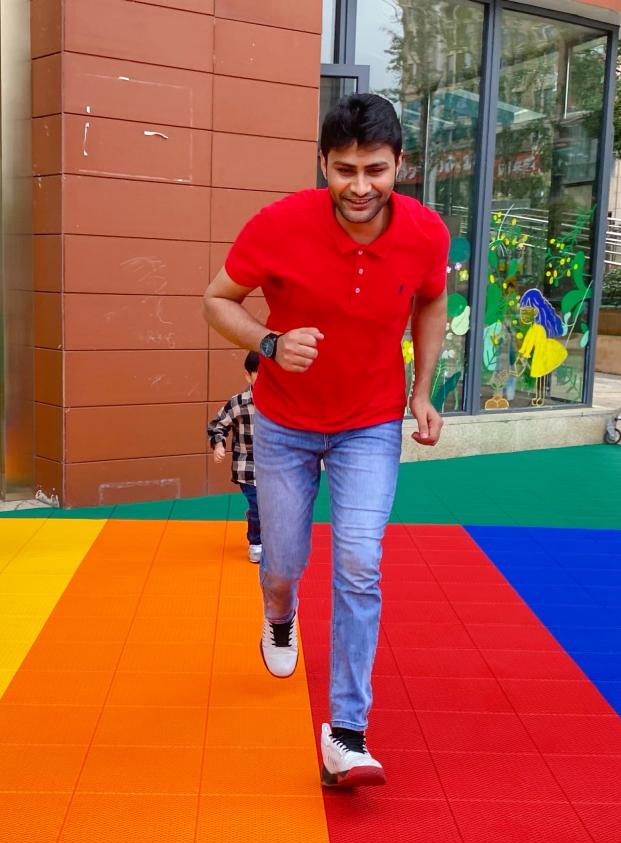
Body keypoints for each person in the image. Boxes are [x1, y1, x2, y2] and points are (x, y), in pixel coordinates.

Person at [201, 93, 449, 787]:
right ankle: (278, 614)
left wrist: (423, 389)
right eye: (344, 170)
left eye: (375, 169)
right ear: (322, 164)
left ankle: (347, 733)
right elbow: (215, 299)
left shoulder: (426, 232)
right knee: (282, 560)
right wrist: (270, 343)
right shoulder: (279, 224)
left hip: (369, 423)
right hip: (284, 424)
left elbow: (431, 299)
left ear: (399, 164)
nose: (360, 186)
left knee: (360, 563)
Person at [208, 351, 262, 563]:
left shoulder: (283, 402)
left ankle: (259, 524)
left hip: (276, 466)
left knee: (273, 508)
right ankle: (256, 542)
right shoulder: (239, 403)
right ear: (248, 376)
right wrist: (218, 444)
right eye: (260, 375)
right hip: (248, 467)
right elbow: (217, 425)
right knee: (258, 504)